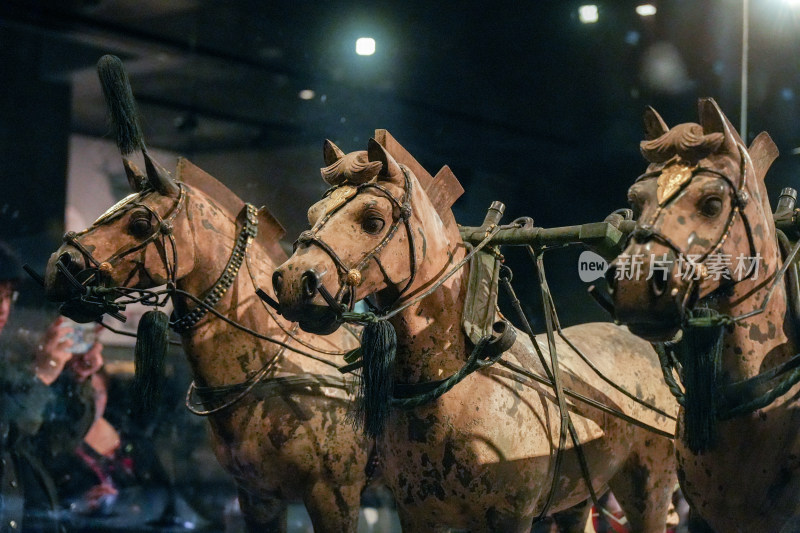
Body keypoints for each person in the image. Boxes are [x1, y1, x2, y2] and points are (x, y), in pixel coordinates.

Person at [0, 241, 106, 531]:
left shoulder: (8, 364)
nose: (3, 308)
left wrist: (76, 379)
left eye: (9, 296)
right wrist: (42, 376)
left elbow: (52, 443)